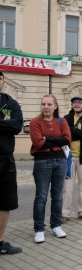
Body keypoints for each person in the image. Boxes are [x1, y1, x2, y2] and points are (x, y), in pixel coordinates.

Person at [30, 95, 71, 243]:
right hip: (42, 162)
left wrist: (47, 138)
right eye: (43, 104)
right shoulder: (35, 122)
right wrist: (54, 141)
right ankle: (39, 229)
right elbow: (38, 143)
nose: (46, 107)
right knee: (41, 197)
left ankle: (56, 226)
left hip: (61, 161)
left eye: (49, 104)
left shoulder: (62, 121)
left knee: (57, 197)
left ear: (55, 106)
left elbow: (67, 140)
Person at [0, 71, 23, 255]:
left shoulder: (10, 102)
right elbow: (10, 125)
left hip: (6, 160)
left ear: (3, 82)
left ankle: (0, 243)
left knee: (5, 202)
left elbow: (17, 126)